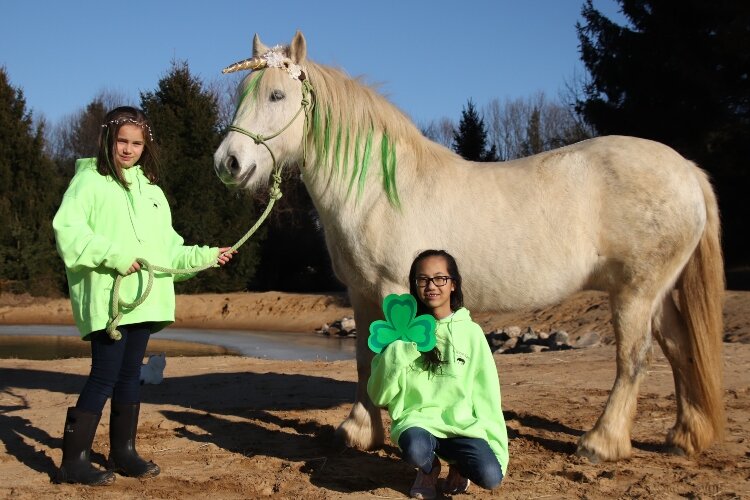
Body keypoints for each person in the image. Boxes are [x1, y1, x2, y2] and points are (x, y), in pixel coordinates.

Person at [52, 106, 235, 486]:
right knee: (104, 375)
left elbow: (169, 251)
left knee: (129, 377)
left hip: (145, 303)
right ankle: (74, 461)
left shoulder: (152, 192)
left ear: (145, 145)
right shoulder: (88, 183)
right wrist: (115, 257)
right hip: (110, 303)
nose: (128, 149)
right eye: (122, 141)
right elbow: (68, 231)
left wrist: (207, 256)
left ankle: (124, 453)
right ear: (108, 139)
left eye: (137, 142)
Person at [367, 249, 508, 499]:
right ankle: (428, 469)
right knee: (416, 449)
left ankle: (458, 466)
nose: (431, 286)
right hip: (418, 423)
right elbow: (378, 395)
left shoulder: (471, 333)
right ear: (415, 285)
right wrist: (400, 351)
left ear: (453, 284)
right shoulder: (400, 332)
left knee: (491, 477)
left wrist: (496, 449)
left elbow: (487, 396)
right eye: (423, 279)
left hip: (462, 427)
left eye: (440, 278)